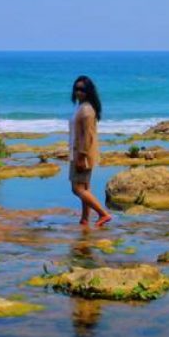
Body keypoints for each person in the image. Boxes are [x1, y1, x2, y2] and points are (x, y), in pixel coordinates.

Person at [69, 75, 112, 228]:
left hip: (82, 154)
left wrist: (81, 156)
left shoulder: (86, 110)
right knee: (85, 187)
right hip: (80, 153)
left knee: (77, 188)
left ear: (88, 91)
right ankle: (85, 219)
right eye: (76, 89)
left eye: (82, 89)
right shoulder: (83, 107)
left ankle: (103, 214)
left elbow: (88, 136)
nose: (78, 92)